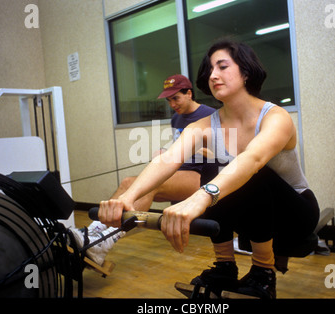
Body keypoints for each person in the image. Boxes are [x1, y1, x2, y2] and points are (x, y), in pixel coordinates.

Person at [97, 40, 319, 299]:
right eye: (210, 70)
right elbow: (168, 159)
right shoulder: (204, 125)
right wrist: (128, 197)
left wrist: (199, 198)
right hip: (256, 217)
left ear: (245, 72)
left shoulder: (275, 117)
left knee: (247, 172)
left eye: (222, 67)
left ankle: (263, 273)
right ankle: (225, 265)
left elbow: (253, 159)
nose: (213, 75)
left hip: (295, 215)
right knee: (213, 169)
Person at [69, 74, 215, 266]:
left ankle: (105, 243)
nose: (172, 104)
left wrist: (190, 148)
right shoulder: (176, 119)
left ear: (189, 94)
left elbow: (219, 154)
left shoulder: (210, 115)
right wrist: (167, 153)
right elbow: (177, 152)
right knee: (128, 183)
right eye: (169, 100)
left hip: (204, 178)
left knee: (152, 186)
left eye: (176, 98)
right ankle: (92, 233)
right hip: (180, 172)